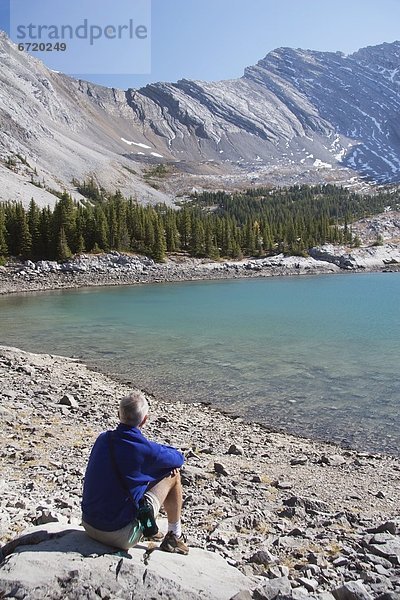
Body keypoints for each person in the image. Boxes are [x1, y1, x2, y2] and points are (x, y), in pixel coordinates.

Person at [81, 390, 189, 554]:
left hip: (88, 524)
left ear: (119, 414)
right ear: (144, 420)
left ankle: (152, 529)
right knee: (173, 474)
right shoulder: (144, 450)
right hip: (118, 535)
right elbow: (178, 459)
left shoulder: (103, 439)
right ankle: (174, 536)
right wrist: (157, 449)